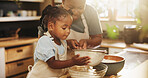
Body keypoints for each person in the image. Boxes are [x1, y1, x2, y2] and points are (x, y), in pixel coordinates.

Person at [27, 5, 90, 78]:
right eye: (64, 28)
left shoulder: (62, 42)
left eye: (69, 28)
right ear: (51, 26)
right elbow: (52, 63)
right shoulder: (44, 40)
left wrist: (70, 44)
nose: (68, 31)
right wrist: (73, 62)